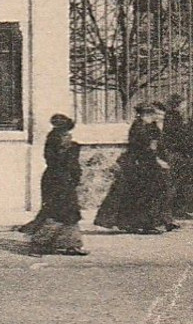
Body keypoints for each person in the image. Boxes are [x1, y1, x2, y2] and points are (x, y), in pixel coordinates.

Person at [96, 102, 175, 234]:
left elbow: (155, 145)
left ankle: (151, 222)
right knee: (139, 194)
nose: (154, 116)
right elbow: (143, 148)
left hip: (147, 163)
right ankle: (142, 224)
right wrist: (157, 159)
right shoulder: (138, 127)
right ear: (144, 114)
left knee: (146, 193)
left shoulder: (150, 127)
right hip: (139, 164)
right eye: (151, 114)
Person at [21, 114, 87, 256]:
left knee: (70, 213)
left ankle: (72, 244)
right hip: (57, 181)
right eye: (65, 133)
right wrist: (70, 151)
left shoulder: (60, 141)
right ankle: (38, 244)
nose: (68, 136)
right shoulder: (55, 142)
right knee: (55, 213)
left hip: (64, 180)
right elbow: (57, 162)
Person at [163, 96, 192, 220]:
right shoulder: (173, 117)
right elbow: (179, 137)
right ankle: (173, 211)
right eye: (183, 104)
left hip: (179, 153)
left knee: (181, 182)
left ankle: (179, 210)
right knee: (175, 182)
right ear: (178, 105)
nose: (185, 106)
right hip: (176, 154)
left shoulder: (173, 117)